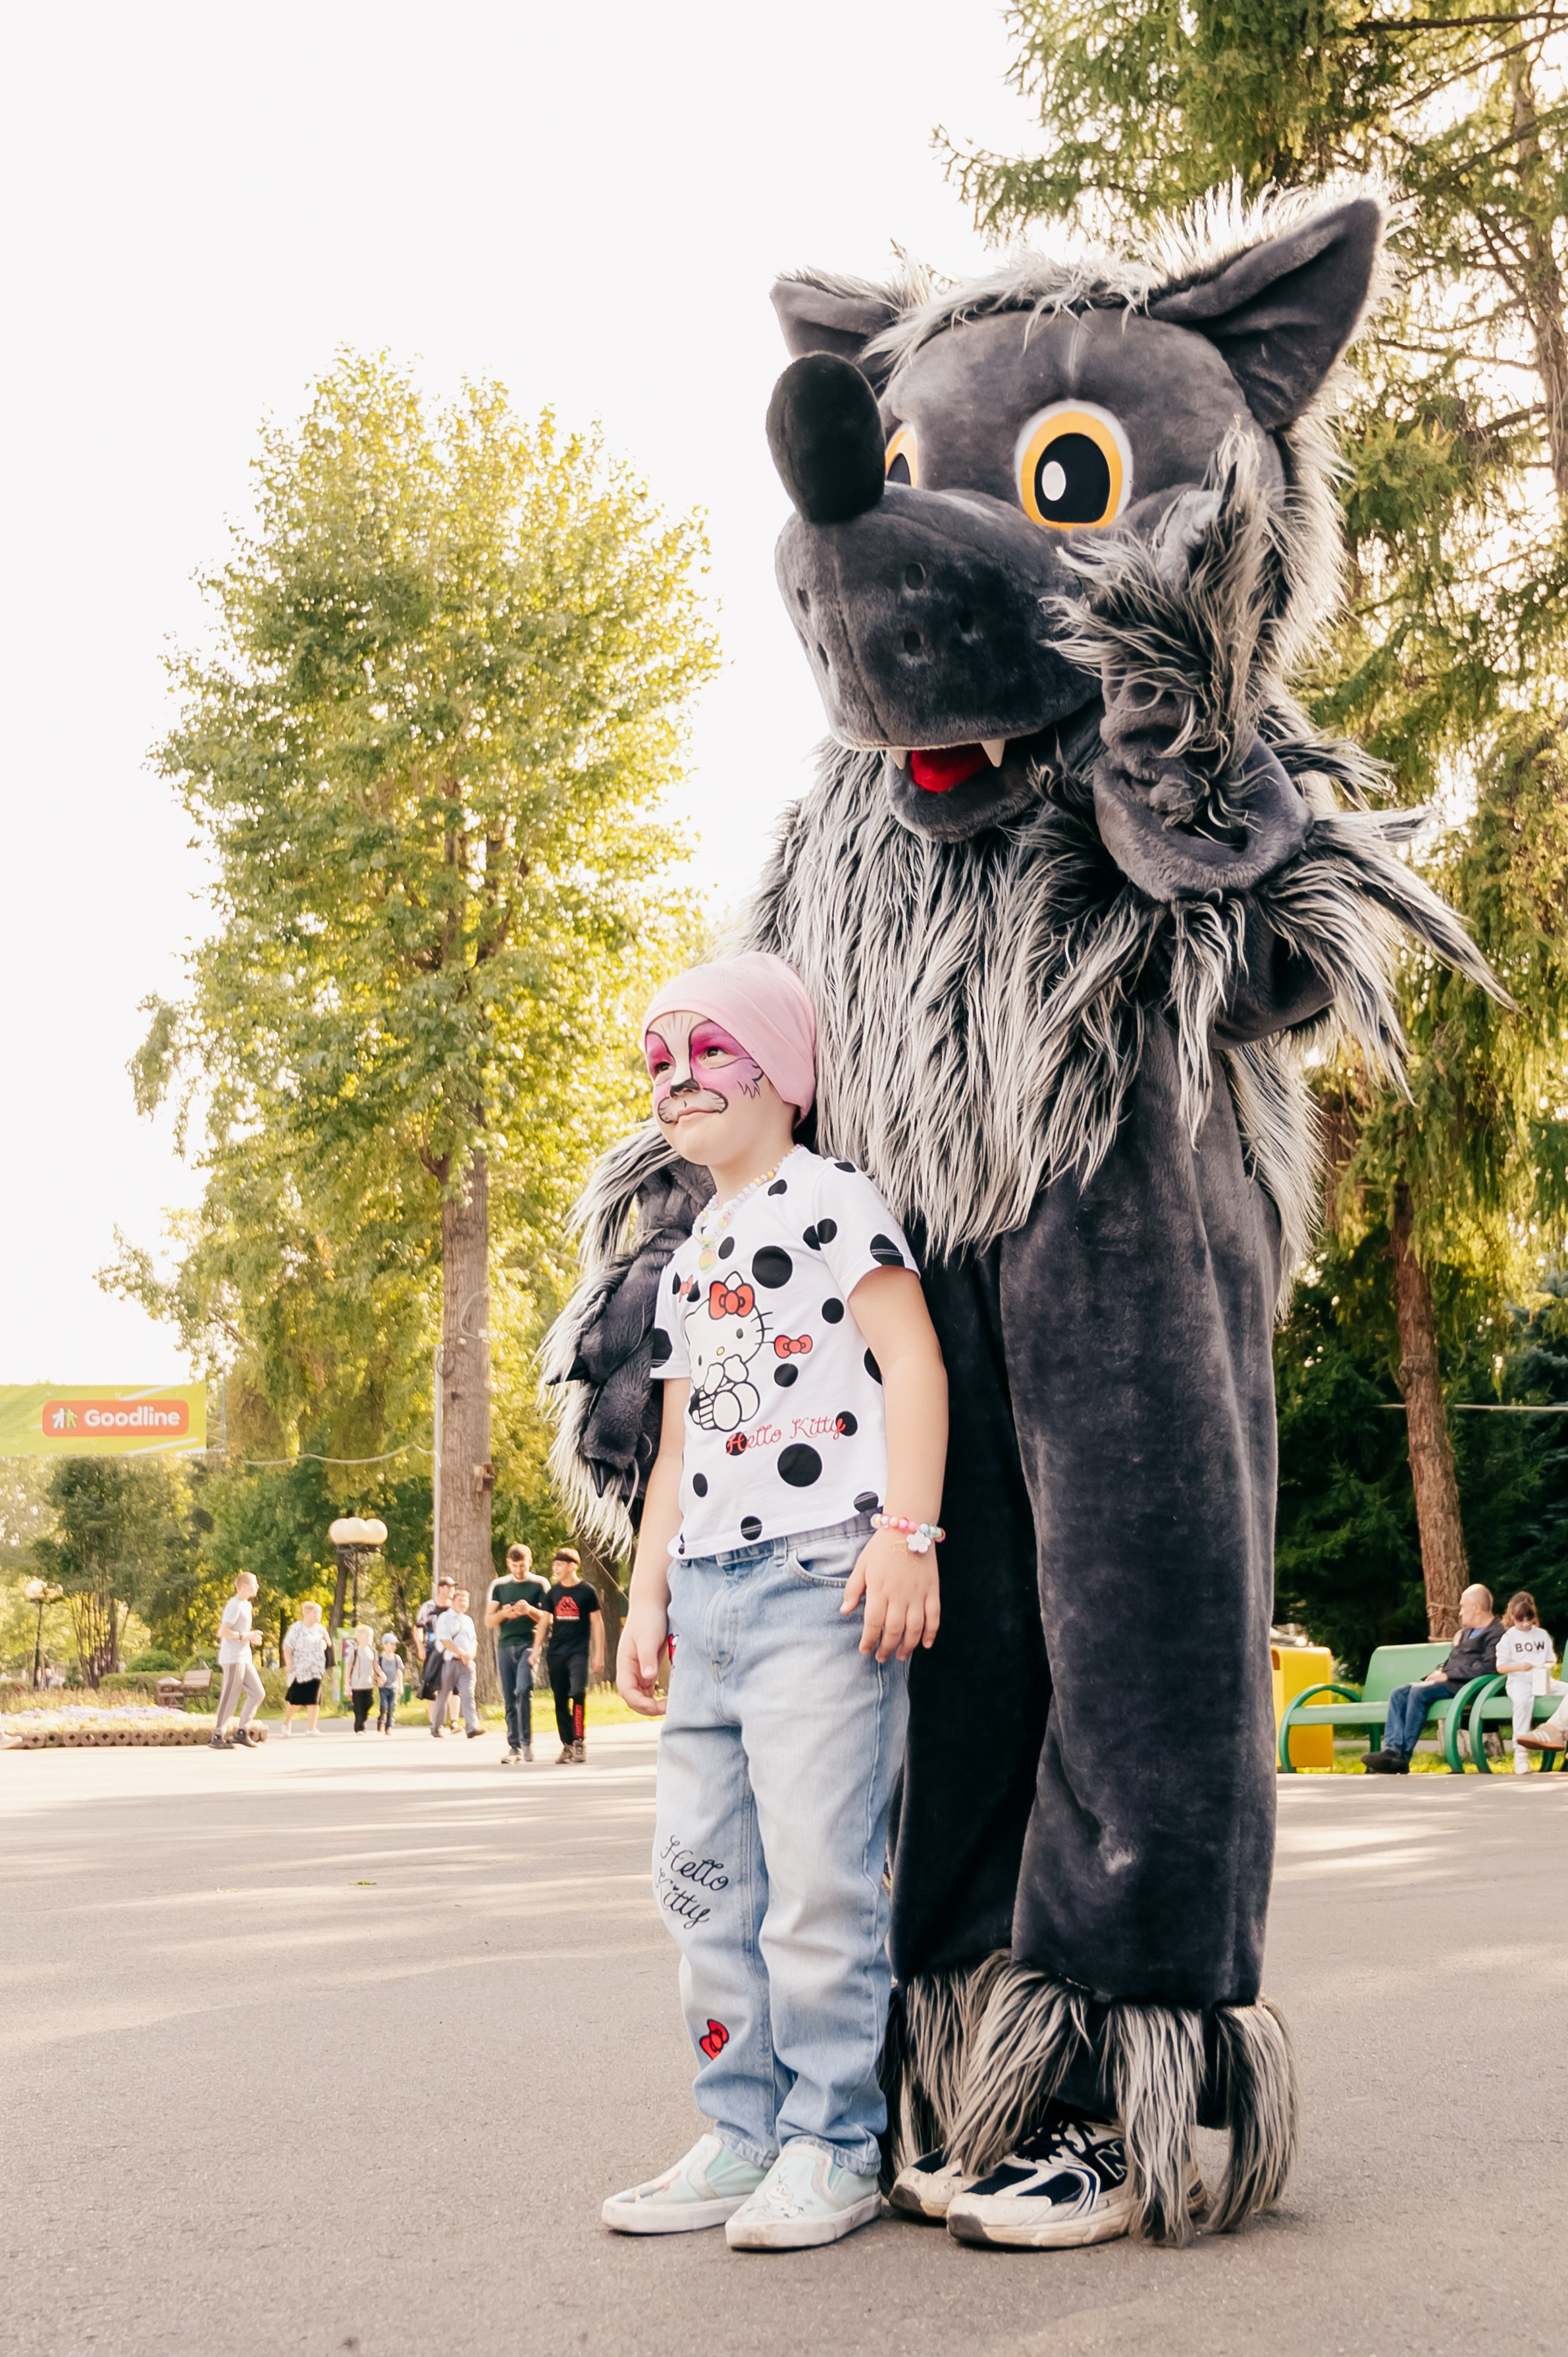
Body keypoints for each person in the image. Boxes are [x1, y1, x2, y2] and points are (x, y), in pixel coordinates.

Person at [600, 954, 947, 2252]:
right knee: (702, 1881)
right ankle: (740, 2128)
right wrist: (647, 1595)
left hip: (819, 1579)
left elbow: (913, 1360)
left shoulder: (834, 1201)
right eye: (659, 1060)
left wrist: (907, 1532)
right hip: (708, 1595)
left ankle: (833, 2141)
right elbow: (676, 1446)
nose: (679, 1079)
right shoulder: (687, 1257)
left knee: (816, 1883)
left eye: (710, 1051)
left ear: (782, 1072)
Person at [1364, 1585, 1506, 1772]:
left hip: (1469, 1687)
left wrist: (1447, 1675)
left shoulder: (1497, 1633)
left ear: (1477, 1607)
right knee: (1398, 1694)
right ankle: (1392, 1750)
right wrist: (1438, 1672)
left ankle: (1402, 1757)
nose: (1460, 1613)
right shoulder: (1466, 1632)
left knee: (1418, 1693)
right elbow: (1453, 1661)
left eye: (1463, 1607)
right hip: (1452, 1682)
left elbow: (1489, 1667)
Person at [531, 1550, 603, 1765]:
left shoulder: (587, 1591)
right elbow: (544, 1622)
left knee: (578, 1692)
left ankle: (579, 1740)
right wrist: (535, 1650)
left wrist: (599, 1653)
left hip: (578, 1651)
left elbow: (597, 1622)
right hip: (556, 1652)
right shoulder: (553, 1593)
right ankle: (567, 1744)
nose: (555, 1569)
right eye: (554, 1565)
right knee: (560, 1699)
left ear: (572, 1566)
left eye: (560, 1565)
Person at [487, 1542, 548, 1762]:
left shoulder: (539, 1584)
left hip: (528, 1644)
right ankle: (514, 1747)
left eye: (522, 1565)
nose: (519, 1570)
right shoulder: (499, 1586)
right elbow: (489, 1620)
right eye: (515, 1566)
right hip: (505, 1645)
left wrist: (529, 1610)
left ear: (530, 1561)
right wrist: (505, 1613)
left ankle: (526, 1742)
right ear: (508, 1564)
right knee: (509, 1697)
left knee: (523, 1690)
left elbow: (548, 1618)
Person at [1495, 1593, 1556, 1773]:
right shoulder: (1509, 1638)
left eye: (1528, 1619)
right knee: (1522, 1703)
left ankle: (1559, 1732)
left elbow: (1551, 1659)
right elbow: (1501, 1667)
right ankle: (1521, 1755)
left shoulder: (1542, 1635)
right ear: (1513, 1617)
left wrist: (1546, 1667)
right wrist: (1520, 1667)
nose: (1525, 1624)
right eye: (1520, 1620)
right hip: (1519, 1681)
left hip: (1541, 1679)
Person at [212, 1570, 266, 1751]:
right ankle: (217, 1735)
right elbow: (222, 1632)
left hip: (244, 1657)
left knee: (258, 1692)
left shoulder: (246, 1606)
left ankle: (242, 1731)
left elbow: (240, 1633)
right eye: (254, 1583)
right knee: (230, 1697)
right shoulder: (234, 1605)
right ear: (243, 1586)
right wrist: (245, 1636)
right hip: (233, 1658)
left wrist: (251, 1638)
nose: (258, 1586)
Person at [431, 1587, 483, 1739]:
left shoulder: (468, 1620)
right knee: (444, 1695)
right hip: (450, 1662)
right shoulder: (445, 1618)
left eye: (466, 1601)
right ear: (453, 1602)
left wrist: (470, 1655)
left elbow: (474, 1641)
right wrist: (462, 1654)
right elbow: (445, 1641)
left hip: (467, 1664)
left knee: (468, 1694)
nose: (463, 1604)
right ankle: (436, 1727)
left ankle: (472, 1727)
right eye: (460, 1600)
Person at [281, 1601, 328, 1735]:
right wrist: (289, 1663)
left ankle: (311, 1728)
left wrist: (325, 1644)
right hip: (300, 1670)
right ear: (307, 1613)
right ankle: (287, 1723)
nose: (319, 1615)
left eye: (320, 1613)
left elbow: (328, 1643)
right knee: (296, 1700)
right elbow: (287, 1646)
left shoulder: (320, 1629)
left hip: (316, 1669)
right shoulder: (297, 1628)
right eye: (316, 1612)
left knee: (314, 1700)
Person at [344, 1624, 378, 1732]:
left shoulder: (372, 1652)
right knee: (359, 1706)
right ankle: (360, 1728)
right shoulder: (355, 1652)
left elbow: (375, 1666)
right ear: (359, 1638)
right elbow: (348, 1667)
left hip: (368, 1683)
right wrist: (347, 1683)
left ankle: (362, 1718)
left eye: (371, 1636)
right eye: (367, 1636)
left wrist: (381, 1675)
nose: (370, 1638)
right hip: (357, 1684)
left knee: (369, 1703)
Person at [376, 1633, 404, 1734]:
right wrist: (378, 1680)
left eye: (394, 1644)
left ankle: (389, 1726)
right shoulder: (380, 1658)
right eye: (391, 1644)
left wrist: (400, 1685)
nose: (394, 1647)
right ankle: (381, 1720)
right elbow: (376, 1671)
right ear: (384, 1645)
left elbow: (399, 1672)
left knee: (392, 1707)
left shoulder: (397, 1658)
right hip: (383, 1687)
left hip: (394, 1686)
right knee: (384, 1706)